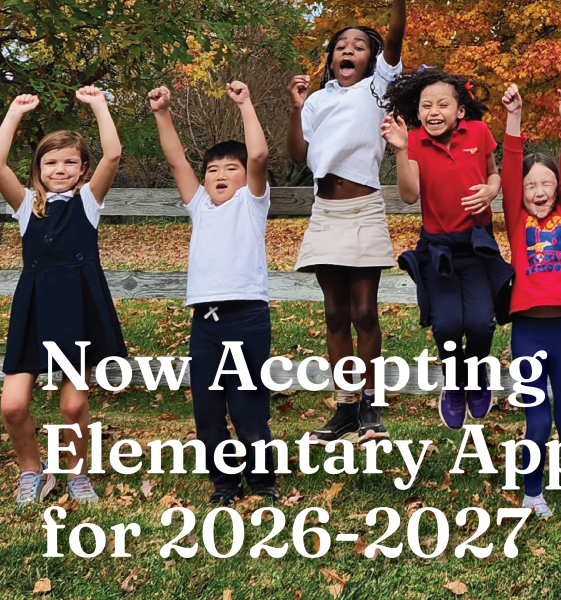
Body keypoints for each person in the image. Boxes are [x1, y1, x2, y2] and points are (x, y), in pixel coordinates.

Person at [150, 82, 281, 506]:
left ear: (245, 178)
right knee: (207, 410)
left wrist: (245, 104)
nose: (220, 176)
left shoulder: (251, 203)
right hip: (204, 322)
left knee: (247, 407)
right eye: (212, 170)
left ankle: (262, 483)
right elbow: (175, 161)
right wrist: (162, 113)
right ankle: (224, 484)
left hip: (245, 318)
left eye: (230, 168)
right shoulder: (200, 207)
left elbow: (258, 154)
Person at [288, 0, 407, 443]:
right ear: (331, 58)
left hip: (363, 211)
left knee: (363, 312)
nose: (348, 50)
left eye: (358, 46)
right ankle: (344, 409)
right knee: (334, 314)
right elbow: (298, 154)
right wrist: (295, 106)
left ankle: (372, 407)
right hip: (325, 213)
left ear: (371, 58)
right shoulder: (318, 99)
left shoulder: (378, 88)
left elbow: (394, 35)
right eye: (341, 46)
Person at [0, 88, 125, 504]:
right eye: (51, 162)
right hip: (34, 309)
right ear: (37, 168)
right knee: (13, 405)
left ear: (83, 167)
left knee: (73, 407)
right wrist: (13, 115)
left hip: (76, 311)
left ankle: (77, 475)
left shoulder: (87, 202)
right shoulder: (24, 207)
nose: (60, 168)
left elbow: (113, 155)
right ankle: (33, 472)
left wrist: (99, 106)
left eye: (70, 161)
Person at [384, 70, 510, 430]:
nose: (434, 110)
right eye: (426, 105)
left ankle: (476, 374)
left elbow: (493, 173)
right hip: (437, 249)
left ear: (460, 111)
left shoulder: (479, 133)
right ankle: (454, 383)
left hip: (477, 245)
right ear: (418, 112)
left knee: (481, 323)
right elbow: (409, 196)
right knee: (448, 326)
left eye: (443, 104)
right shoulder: (413, 141)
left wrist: (490, 190)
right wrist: (402, 150)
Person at [500, 85, 561, 516]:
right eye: (531, 184)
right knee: (537, 421)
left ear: (557, 190)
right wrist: (514, 119)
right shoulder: (517, 222)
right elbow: (510, 169)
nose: (538, 190)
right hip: (527, 331)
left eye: (546, 184)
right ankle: (532, 492)